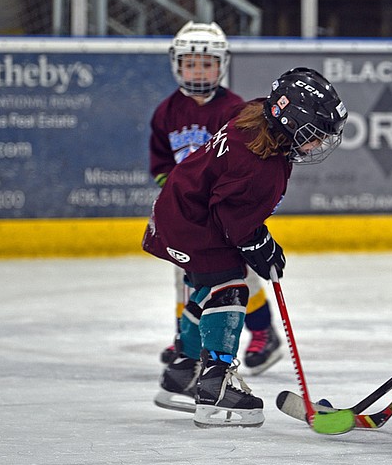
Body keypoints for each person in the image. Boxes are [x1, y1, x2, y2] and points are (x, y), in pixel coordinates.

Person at [144, 67, 347, 428]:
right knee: (230, 290)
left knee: (208, 287)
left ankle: (182, 371)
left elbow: (231, 209)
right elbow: (233, 219)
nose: (317, 144)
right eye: (315, 135)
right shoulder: (259, 165)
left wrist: (258, 240)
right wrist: (261, 245)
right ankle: (215, 385)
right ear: (292, 122)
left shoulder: (257, 116)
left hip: (181, 210)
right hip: (193, 222)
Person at [149, 21, 284, 376]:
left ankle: (262, 332)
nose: (198, 70)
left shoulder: (234, 109)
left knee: (240, 275)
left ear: (221, 65)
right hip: (192, 213)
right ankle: (187, 338)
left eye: (206, 63)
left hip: (223, 211)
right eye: (191, 63)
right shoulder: (166, 112)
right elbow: (161, 161)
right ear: (177, 64)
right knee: (186, 276)